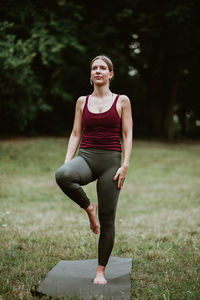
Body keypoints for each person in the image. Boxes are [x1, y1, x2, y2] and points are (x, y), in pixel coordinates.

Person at [55, 55, 133, 284]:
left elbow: (127, 135)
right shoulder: (82, 101)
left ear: (111, 74)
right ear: (91, 74)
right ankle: (89, 207)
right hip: (87, 157)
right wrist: (68, 160)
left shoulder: (122, 101)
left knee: (108, 218)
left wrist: (125, 164)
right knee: (62, 175)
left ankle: (100, 270)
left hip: (111, 162)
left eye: (103, 68)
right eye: (94, 68)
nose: (98, 71)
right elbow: (76, 134)